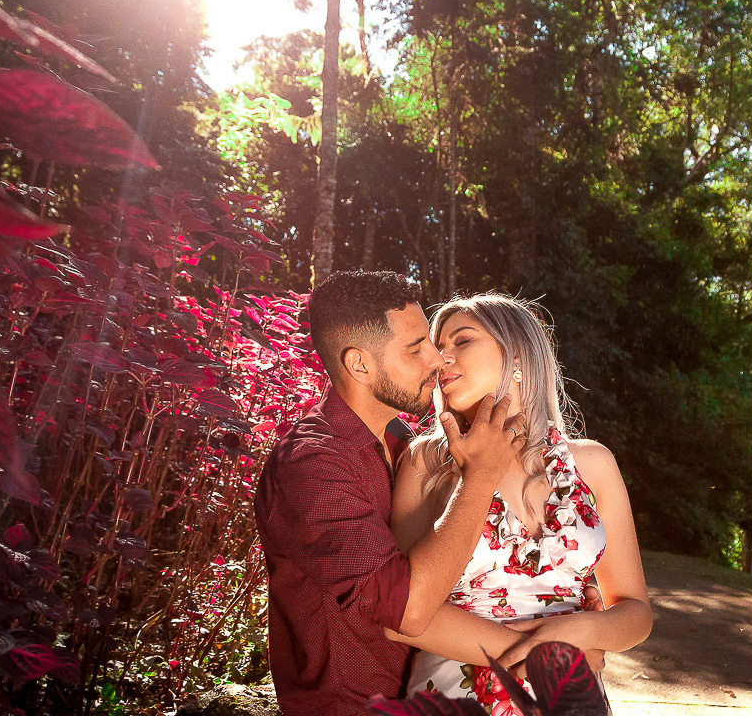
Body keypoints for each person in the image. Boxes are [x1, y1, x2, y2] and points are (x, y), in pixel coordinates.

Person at [253, 271, 528, 716]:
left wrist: (563, 602)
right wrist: (481, 477)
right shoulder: (309, 466)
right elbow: (409, 612)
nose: (437, 360)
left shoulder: (405, 443)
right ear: (360, 365)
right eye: (416, 348)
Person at [388, 293, 652, 714]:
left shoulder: (593, 464)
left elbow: (635, 612)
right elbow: (400, 616)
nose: (441, 358)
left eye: (462, 340)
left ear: (517, 357)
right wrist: (548, 652)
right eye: (439, 347)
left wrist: (586, 631)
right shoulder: (428, 462)